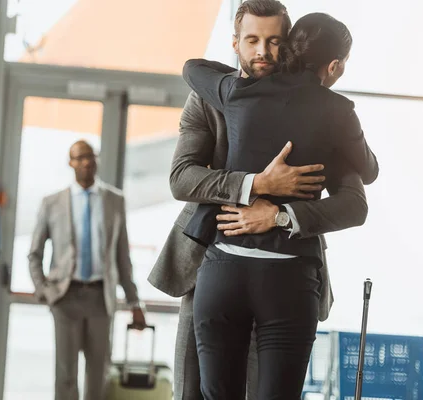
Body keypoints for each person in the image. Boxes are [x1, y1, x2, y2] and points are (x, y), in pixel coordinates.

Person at [147, 1, 377, 399]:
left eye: (274, 41)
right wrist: (256, 182)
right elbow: (181, 179)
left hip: (285, 272)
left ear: (289, 44)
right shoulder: (209, 97)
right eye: (252, 40)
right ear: (235, 43)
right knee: (192, 392)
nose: (263, 52)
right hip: (209, 263)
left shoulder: (320, 114)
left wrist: (280, 216)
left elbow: (354, 199)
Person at [28, 140, 146, 400]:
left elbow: (122, 256)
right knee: (66, 375)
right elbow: (34, 254)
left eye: (90, 156)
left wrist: (134, 300)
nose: (86, 162)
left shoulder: (115, 200)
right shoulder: (52, 203)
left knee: (99, 373)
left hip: (100, 298)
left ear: (97, 159)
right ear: (71, 163)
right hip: (65, 297)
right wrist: (45, 291)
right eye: (79, 158)